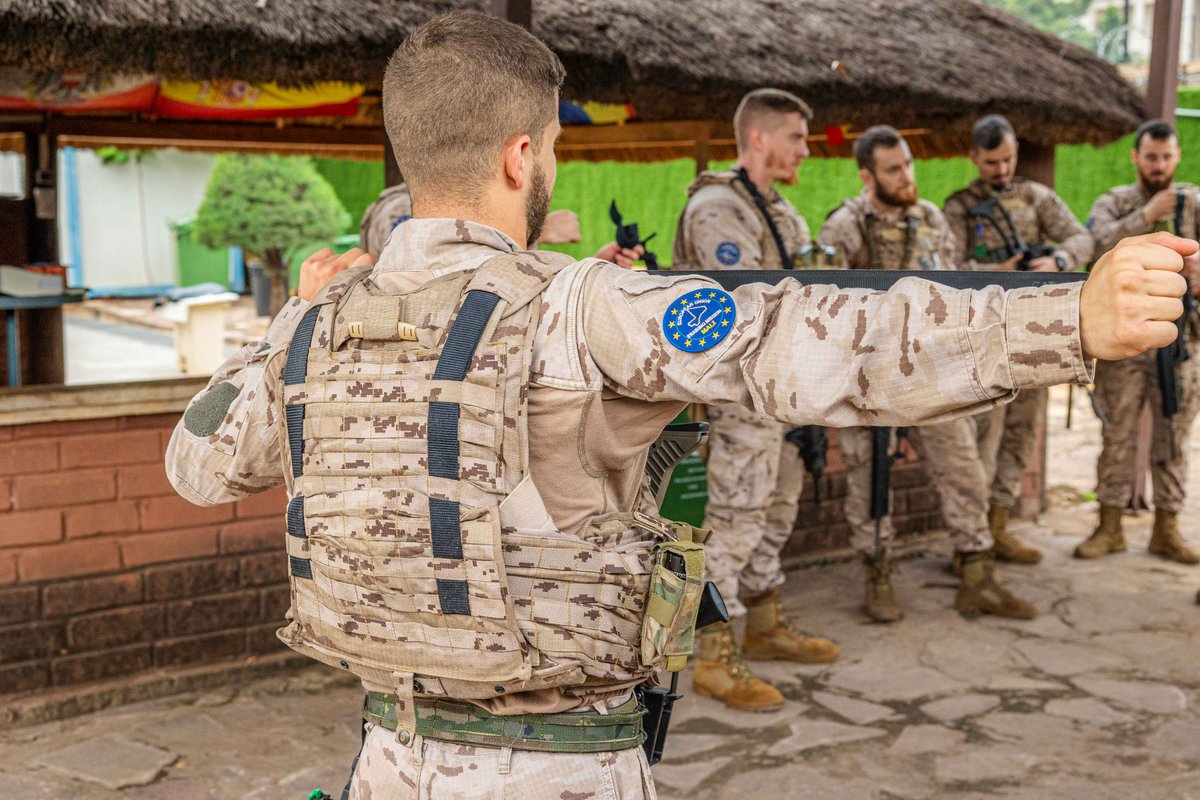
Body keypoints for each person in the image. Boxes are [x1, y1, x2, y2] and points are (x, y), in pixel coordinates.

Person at [164, 11, 1192, 798]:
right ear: (522, 155)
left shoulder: (313, 325)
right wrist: (1069, 318)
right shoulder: (580, 308)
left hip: (387, 759)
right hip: (558, 768)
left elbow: (197, 465)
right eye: (549, 149)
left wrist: (284, 323)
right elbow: (809, 337)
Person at [820, 125, 1035, 622]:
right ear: (867, 176)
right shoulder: (844, 226)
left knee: (964, 469)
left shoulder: (932, 218)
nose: (907, 176)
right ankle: (878, 572)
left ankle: (976, 573)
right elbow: (828, 307)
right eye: (893, 169)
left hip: (930, 373)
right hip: (869, 379)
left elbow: (954, 283)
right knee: (869, 480)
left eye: (908, 164)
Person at [672, 88, 840, 712]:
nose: (805, 150)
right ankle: (714, 656)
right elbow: (746, 304)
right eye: (796, 137)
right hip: (741, 394)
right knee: (736, 519)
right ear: (760, 138)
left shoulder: (779, 210)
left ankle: (765, 625)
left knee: (777, 510)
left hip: (786, 392)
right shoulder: (718, 208)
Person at [944, 115, 1095, 564]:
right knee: (984, 439)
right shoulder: (959, 207)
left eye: (1008, 159)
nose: (1002, 169)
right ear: (974, 158)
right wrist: (995, 272)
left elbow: (1081, 236)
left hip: (1033, 335)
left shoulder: (1035, 197)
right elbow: (945, 268)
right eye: (992, 162)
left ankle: (998, 527)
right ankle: (973, 540)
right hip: (983, 340)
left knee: (1021, 434)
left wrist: (1059, 261)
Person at [1074, 119, 1200, 565]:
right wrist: (1145, 217)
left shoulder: (1193, 203)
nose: (1158, 166)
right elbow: (1092, 246)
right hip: (1124, 342)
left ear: (1177, 157)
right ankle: (1108, 527)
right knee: (1117, 433)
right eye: (1151, 157)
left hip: (1180, 343)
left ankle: (1166, 528)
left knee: (1174, 436)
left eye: (1165, 157)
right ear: (1136, 157)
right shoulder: (1115, 202)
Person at [360, 171, 639, 265]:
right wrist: (532, 231)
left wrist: (592, 268)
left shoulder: (469, 205)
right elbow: (430, 273)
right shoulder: (398, 209)